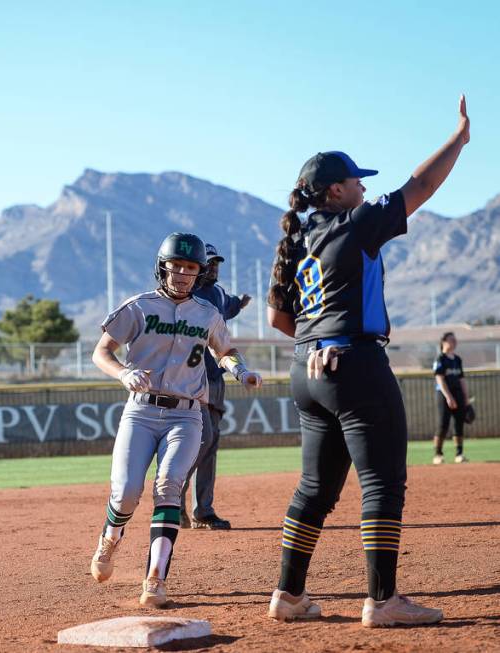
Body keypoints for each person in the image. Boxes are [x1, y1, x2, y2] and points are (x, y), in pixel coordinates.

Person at [265, 96, 470, 628]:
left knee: (314, 488)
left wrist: (316, 342)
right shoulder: (353, 224)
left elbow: (277, 319)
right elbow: (421, 187)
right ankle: (382, 601)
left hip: (307, 370)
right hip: (354, 365)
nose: (361, 186)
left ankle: (288, 596)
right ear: (336, 191)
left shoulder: (294, 241)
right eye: (355, 180)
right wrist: (460, 140)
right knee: (381, 483)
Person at [89, 232, 263, 607]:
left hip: (187, 416)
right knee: (126, 493)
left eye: (191, 267)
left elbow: (225, 349)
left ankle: (155, 579)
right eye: (176, 265)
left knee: (168, 486)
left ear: (199, 273)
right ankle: (110, 538)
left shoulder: (207, 313)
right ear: (162, 267)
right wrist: (121, 373)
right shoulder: (138, 307)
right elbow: (101, 352)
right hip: (141, 411)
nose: (183, 273)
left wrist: (240, 370)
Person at [179, 243, 251, 530]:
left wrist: (242, 303)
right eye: (209, 262)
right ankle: (173, 502)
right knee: (199, 441)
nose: (214, 267)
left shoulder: (219, 293)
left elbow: (230, 307)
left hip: (216, 379)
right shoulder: (186, 295)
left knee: (210, 445)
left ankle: (203, 510)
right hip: (189, 380)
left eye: (217, 262)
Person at [432, 332, 469, 464]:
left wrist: (466, 397)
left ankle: (459, 453)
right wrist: (448, 397)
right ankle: (438, 454)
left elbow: (462, 379)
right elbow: (439, 379)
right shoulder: (440, 359)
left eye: (455, 339)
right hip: (443, 395)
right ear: (444, 342)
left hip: (458, 393)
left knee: (459, 423)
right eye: (451, 340)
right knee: (443, 424)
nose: (454, 342)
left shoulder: (457, 360)